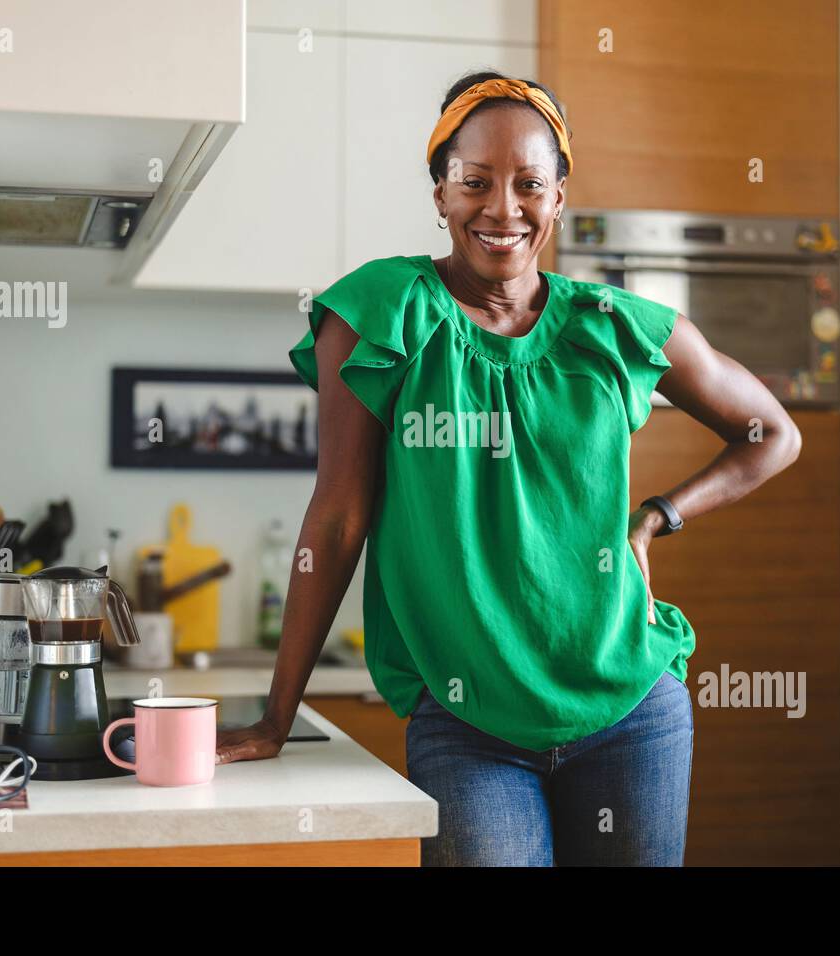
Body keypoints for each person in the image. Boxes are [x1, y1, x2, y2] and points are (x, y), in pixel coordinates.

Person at [216, 70, 802, 866]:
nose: (502, 209)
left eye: (530, 184)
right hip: (468, 728)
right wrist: (278, 714)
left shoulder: (613, 329)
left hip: (631, 711)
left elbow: (773, 433)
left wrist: (657, 517)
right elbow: (338, 517)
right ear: (439, 194)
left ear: (560, 197)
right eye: (474, 182)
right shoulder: (383, 314)